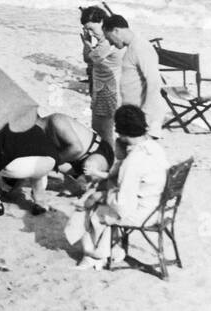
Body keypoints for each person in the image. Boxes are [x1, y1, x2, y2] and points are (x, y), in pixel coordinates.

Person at [70, 105, 168, 270]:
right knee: (101, 201)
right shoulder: (154, 147)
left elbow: (123, 205)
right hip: (159, 205)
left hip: (143, 213)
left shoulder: (132, 162)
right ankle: (112, 249)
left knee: (92, 210)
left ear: (120, 132)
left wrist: (100, 196)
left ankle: (93, 256)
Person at [0, 111, 114, 216]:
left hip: (95, 152)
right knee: (43, 160)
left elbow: (77, 148)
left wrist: (56, 161)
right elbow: (36, 167)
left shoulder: (56, 120)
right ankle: (41, 201)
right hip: (72, 160)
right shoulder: (40, 136)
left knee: (87, 167)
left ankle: (97, 186)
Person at [102, 14, 167, 137]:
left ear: (116, 31)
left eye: (109, 37)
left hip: (141, 117)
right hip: (133, 114)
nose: (110, 43)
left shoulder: (140, 47)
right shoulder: (133, 47)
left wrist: (145, 114)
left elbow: (154, 82)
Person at [81, 6, 119, 144]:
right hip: (105, 89)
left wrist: (86, 43)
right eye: (87, 30)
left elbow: (87, 58)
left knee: (103, 131)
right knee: (102, 129)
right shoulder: (108, 40)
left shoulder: (105, 44)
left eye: (91, 29)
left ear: (102, 22)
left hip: (107, 92)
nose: (90, 33)